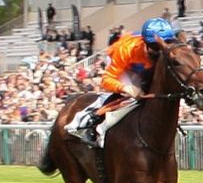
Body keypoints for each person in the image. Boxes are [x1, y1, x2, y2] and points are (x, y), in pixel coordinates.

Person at [71, 18, 179, 146]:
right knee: (132, 96)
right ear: (146, 43)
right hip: (124, 64)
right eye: (156, 47)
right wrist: (125, 88)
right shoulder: (127, 49)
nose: (161, 49)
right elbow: (106, 80)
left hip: (144, 67)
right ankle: (94, 125)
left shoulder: (168, 51)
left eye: (166, 43)